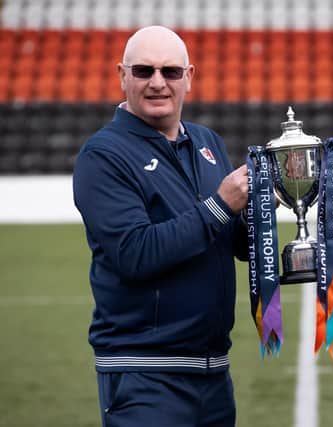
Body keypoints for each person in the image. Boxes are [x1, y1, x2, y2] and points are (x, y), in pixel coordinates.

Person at [73, 26, 249, 427]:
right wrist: (222, 204)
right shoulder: (103, 155)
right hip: (145, 374)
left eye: (170, 71)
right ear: (122, 75)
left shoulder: (208, 142)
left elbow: (234, 241)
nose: (157, 83)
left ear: (189, 76)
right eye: (143, 71)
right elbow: (136, 253)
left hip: (213, 372)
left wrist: (265, 205)